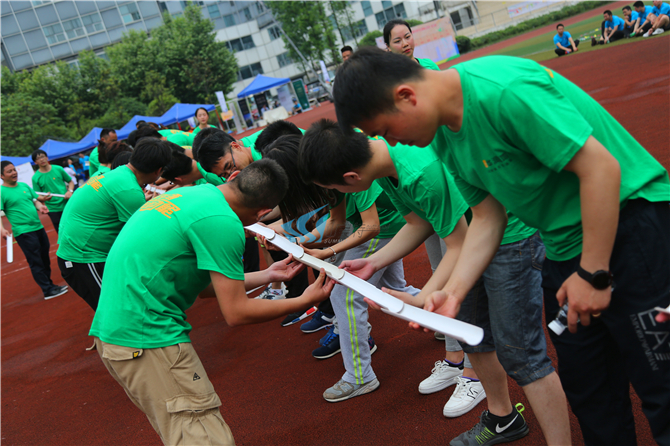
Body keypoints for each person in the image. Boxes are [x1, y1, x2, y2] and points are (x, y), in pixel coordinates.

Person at [332, 46, 670, 446]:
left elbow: (601, 168)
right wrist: (450, 294)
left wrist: (592, 273)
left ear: (407, 96)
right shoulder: (442, 135)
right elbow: (488, 218)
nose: (389, 141)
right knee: (591, 392)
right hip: (563, 248)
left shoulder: (502, 90)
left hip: (629, 228)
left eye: (385, 130)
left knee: (660, 384)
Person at [299, 120, 569, 437]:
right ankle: (503, 418)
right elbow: (418, 222)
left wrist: (421, 297)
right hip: (474, 238)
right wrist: (373, 261)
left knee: (521, 354)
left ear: (350, 178)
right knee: (471, 332)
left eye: (334, 190)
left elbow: (458, 244)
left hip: (511, 238)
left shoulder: (418, 174)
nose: (336, 195)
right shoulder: (382, 166)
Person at [89, 159, 335, 445]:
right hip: (147, 338)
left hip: (119, 336)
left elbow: (204, 287)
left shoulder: (192, 193)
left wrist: (267, 275)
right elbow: (236, 311)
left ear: (234, 177)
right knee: (202, 433)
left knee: (180, 430)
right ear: (264, 213)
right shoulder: (223, 222)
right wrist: (302, 301)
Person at [57, 138, 172, 311]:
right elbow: (144, 240)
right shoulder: (129, 190)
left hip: (84, 252)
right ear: (158, 171)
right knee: (117, 311)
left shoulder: (119, 175)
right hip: (83, 257)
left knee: (118, 312)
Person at [1, 161, 68, 300]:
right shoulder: (2, 192)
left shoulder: (24, 186)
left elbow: (34, 200)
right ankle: (47, 290)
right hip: (24, 231)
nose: (14, 173)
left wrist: (40, 205)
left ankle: (50, 285)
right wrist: (2, 229)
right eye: (9, 171)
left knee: (44, 258)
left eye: (14, 170)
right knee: (35, 261)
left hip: (38, 227)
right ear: (1, 176)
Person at [31, 149, 75, 233]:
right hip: (53, 209)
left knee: (74, 227)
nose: (41, 159)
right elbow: (37, 195)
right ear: (35, 162)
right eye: (38, 158)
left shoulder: (58, 169)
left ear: (47, 157)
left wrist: (70, 191)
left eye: (42, 157)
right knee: (61, 232)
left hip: (67, 204)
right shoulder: (35, 177)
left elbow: (70, 181)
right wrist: (44, 198)